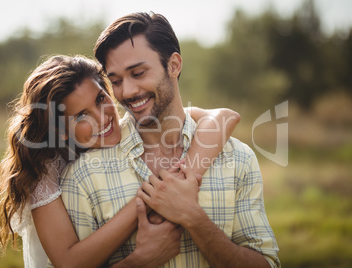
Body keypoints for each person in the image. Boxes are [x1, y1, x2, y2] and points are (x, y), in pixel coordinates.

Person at [60, 12, 280, 268]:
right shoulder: (84, 175)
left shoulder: (237, 157)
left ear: (174, 65)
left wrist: (194, 219)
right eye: (116, 81)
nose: (127, 92)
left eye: (138, 73)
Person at [0, 54, 240, 267]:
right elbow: (69, 262)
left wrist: (182, 178)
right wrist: (153, 202)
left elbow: (224, 117)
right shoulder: (44, 168)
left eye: (100, 99)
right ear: (61, 131)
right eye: (81, 116)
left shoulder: (137, 123)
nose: (102, 118)